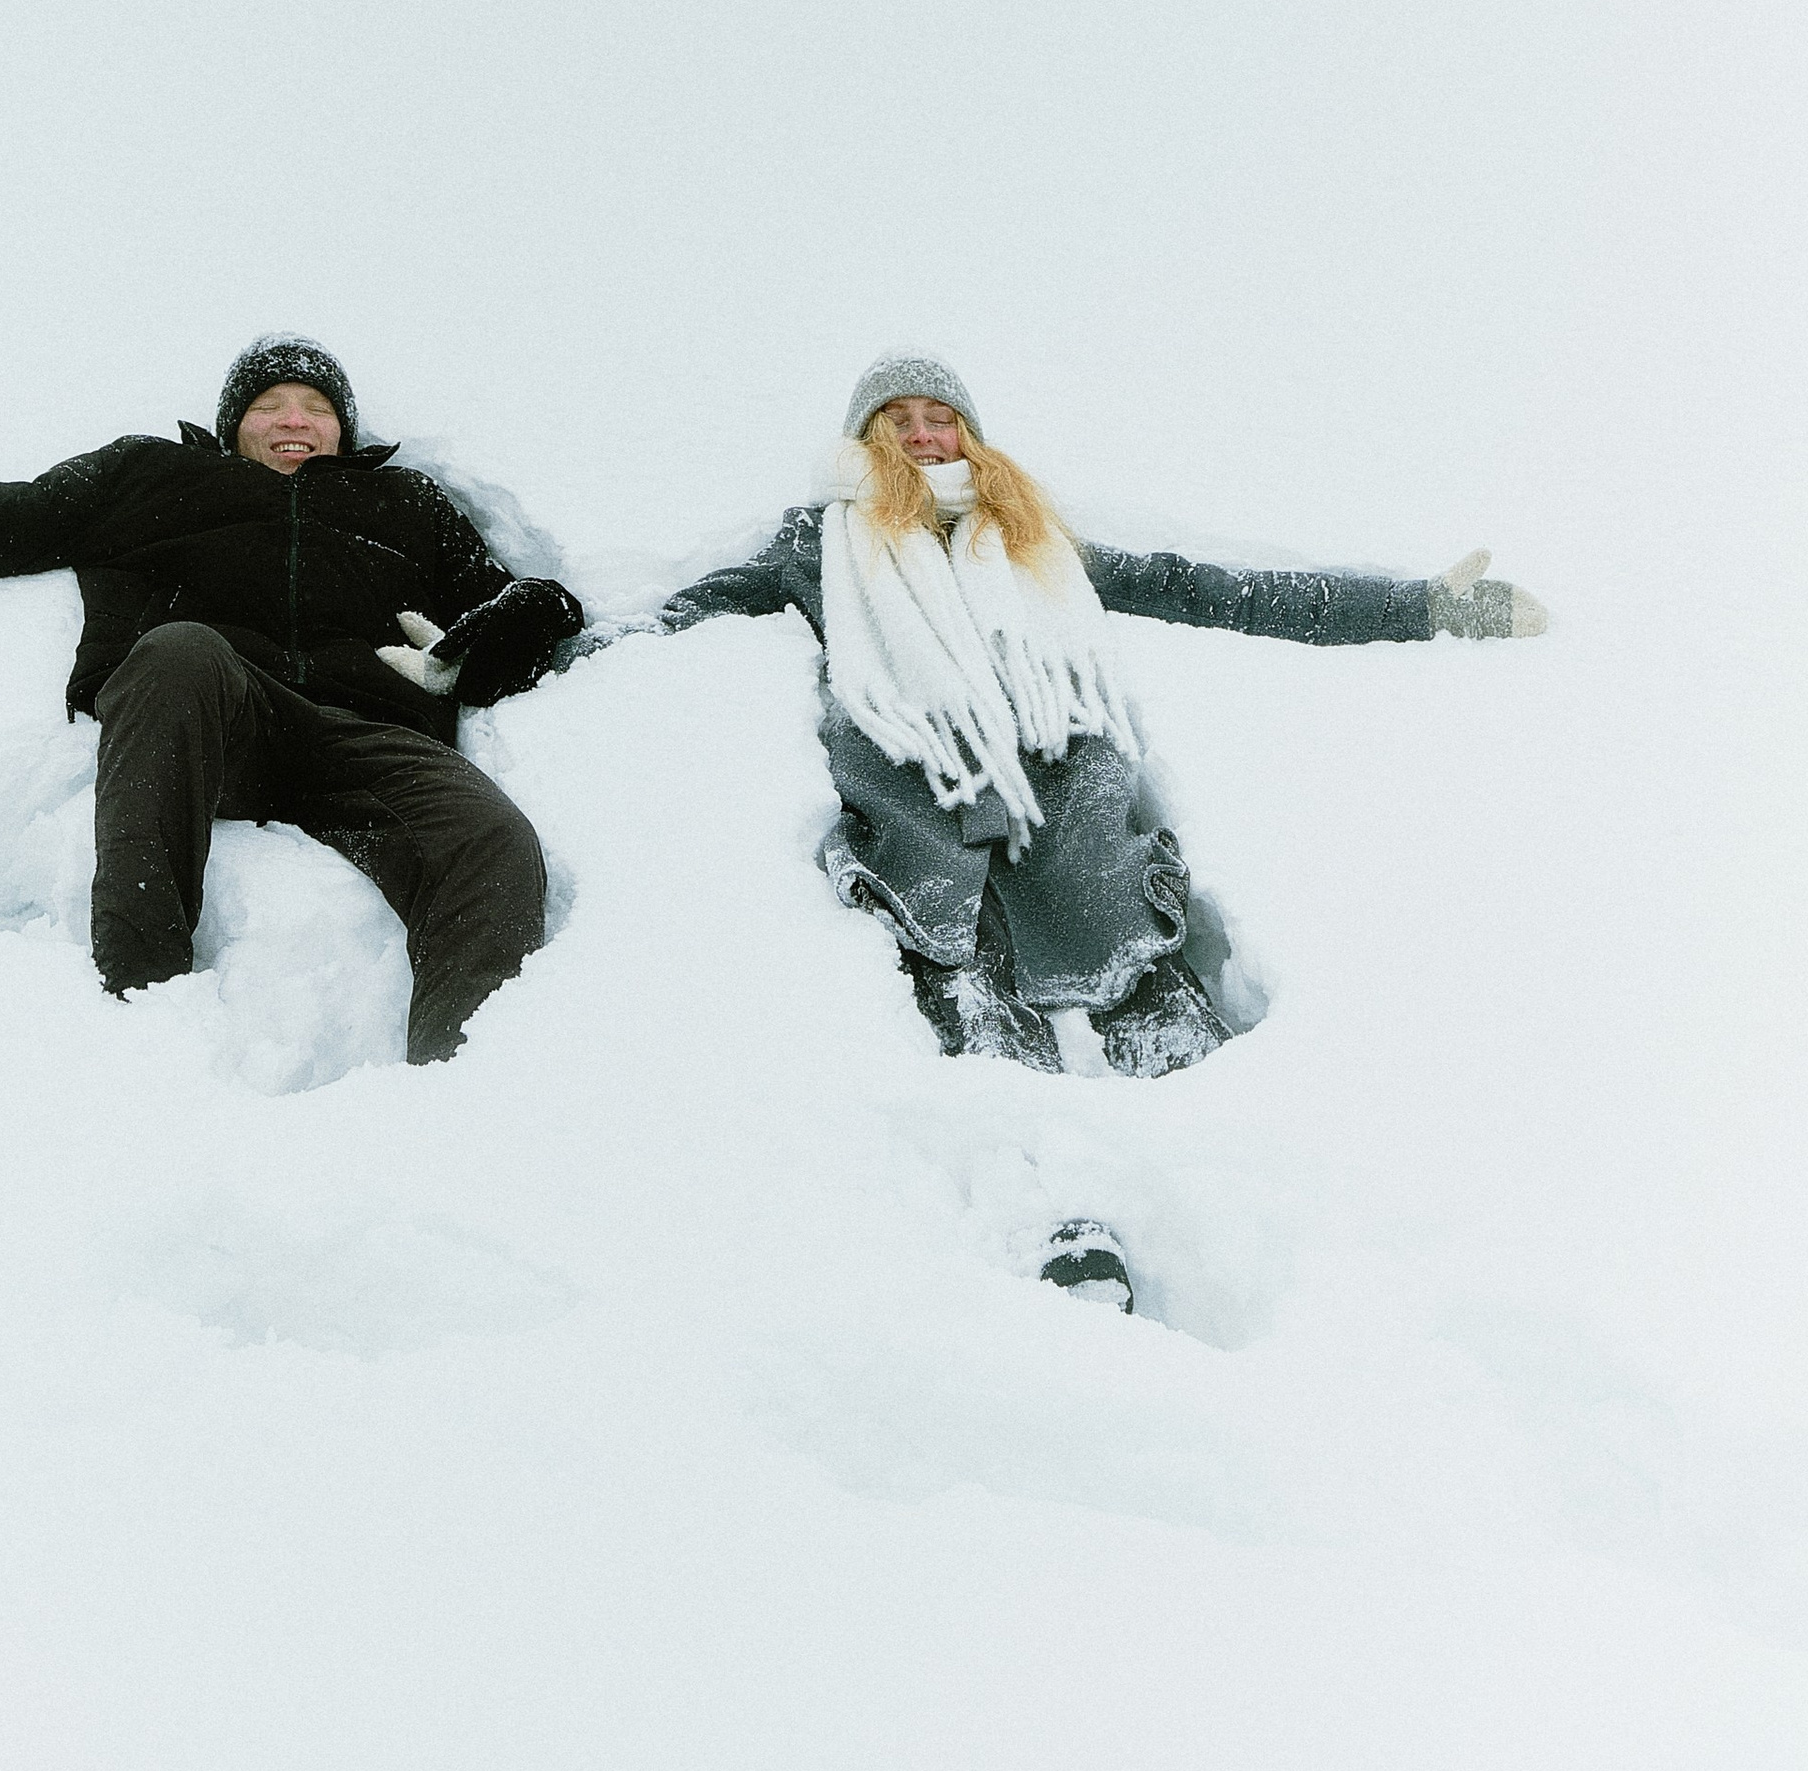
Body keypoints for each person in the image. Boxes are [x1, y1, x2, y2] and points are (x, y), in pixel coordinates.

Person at [619, 352, 1547, 1308]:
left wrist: (1420, 608)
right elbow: (689, 617)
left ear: (968, 433)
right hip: (924, 834)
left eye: (939, 415)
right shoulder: (819, 548)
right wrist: (553, 656)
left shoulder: (1031, 543)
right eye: (895, 417)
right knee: (977, 1035)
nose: (921, 433)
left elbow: (1209, 590)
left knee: (1159, 1018)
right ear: (864, 439)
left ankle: (1272, 1228)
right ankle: (1056, 1228)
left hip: (1074, 826)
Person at [0, 336, 582, 1063]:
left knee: (490, 842)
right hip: (206, 717)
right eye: (271, 404)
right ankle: (142, 1013)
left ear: (342, 428)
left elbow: (528, 605)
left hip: (368, 736)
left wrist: (505, 625)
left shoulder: (405, 504)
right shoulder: (151, 479)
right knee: (176, 655)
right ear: (231, 421)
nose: (294, 419)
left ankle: (466, 1085)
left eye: (316, 407)